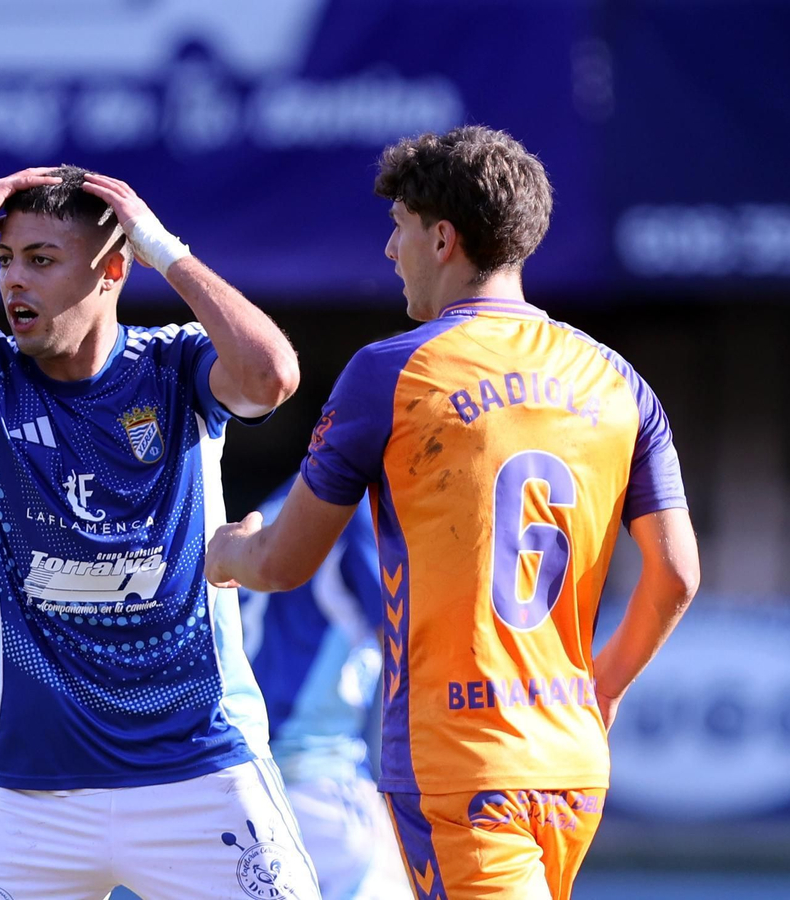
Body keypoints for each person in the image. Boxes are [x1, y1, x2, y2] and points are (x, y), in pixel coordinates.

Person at [205, 126, 701, 900]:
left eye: (397, 227)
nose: (388, 250)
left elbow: (283, 564)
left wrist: (226, 552)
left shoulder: (391, 372)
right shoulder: (617, 379)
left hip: (460, 761)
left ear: (442, 238)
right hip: (572, 760)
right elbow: (675, 576)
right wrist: (601, 690)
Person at [0, 166, 319, 899]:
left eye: (42, 261)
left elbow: (271, 377)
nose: (15, 282)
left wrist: (162, 245)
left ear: (112, 270)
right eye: (6, 260)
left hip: (202, 776)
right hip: (32, 798)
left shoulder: (174, 365)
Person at [239, 475, 411, 899]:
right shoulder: (358, 510)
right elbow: (411, 651)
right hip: (318, 778)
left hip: (241, 778)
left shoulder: (281, 501)